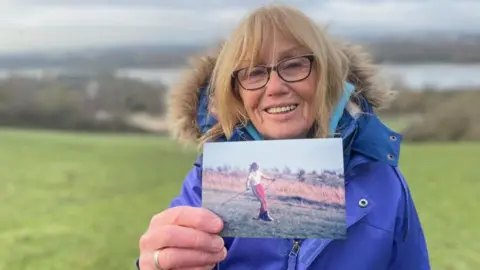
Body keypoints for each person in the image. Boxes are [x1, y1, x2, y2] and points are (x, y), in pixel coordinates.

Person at [137, 4, 430, 270]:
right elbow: (167, 258)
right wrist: (156, 263)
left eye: (294, 65)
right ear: (235, 92)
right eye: (253, 72)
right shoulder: (207, 181)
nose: (275, 87)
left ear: (325, 76)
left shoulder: (382, 179)